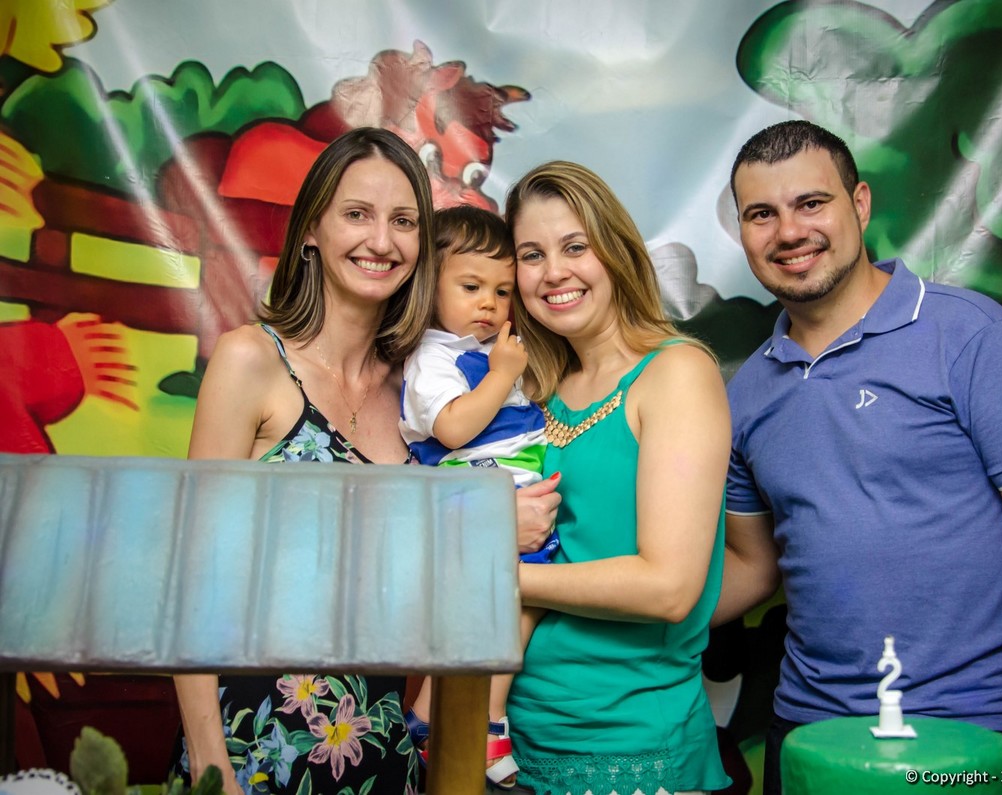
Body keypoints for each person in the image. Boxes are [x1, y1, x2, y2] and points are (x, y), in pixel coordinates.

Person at [171, 127, 560, 795]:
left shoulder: (417, 392)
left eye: (403, 221)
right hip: (253, 748)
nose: (382, 240)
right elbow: (191, 579)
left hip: (383, 750)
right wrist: (212, 764)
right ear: (312, 229)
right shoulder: (251, 361)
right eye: (357, 213)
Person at [714, 120, 1002, 795]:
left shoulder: (972, 336)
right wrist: (618, 607)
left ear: (859, 204)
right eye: (761, 214)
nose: (789, 231)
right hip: (807, 734)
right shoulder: (744, 393)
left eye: (811, 203)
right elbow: (752, 564)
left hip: (971, 729)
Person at [503, 161, 732, 795]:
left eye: (575, 246)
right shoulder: (532, 391)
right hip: (510, 736)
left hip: (628, 740)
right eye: (531, 255)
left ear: (616, 251)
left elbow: (668, 589)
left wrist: (490, 576)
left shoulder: (675, 373)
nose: (554, 272)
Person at [398, 204, 556, 789]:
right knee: (513, 604)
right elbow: (454, 427)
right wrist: (501, 374)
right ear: (428, 285)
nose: (489, 304)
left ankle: (431, 714)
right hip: (475, 497)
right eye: (471, 287)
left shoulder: (490, 348)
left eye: (502, 291)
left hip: (512, 490)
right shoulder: (433, 358)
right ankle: (484, 722)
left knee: (525, 603)